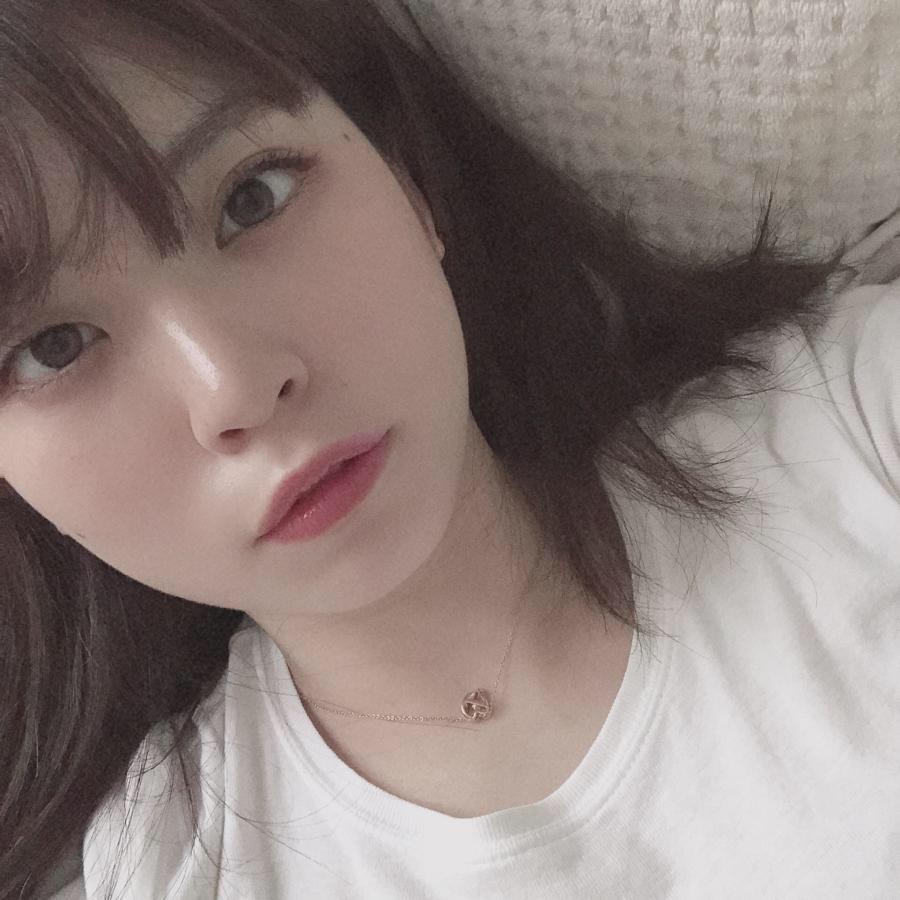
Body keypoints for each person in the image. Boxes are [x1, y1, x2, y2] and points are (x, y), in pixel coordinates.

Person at [0, 1, 896, 898]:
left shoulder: (857, 427)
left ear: (406, 178)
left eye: (252, 197)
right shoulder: (170, 869)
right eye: (53, 347)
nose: (234, 388)